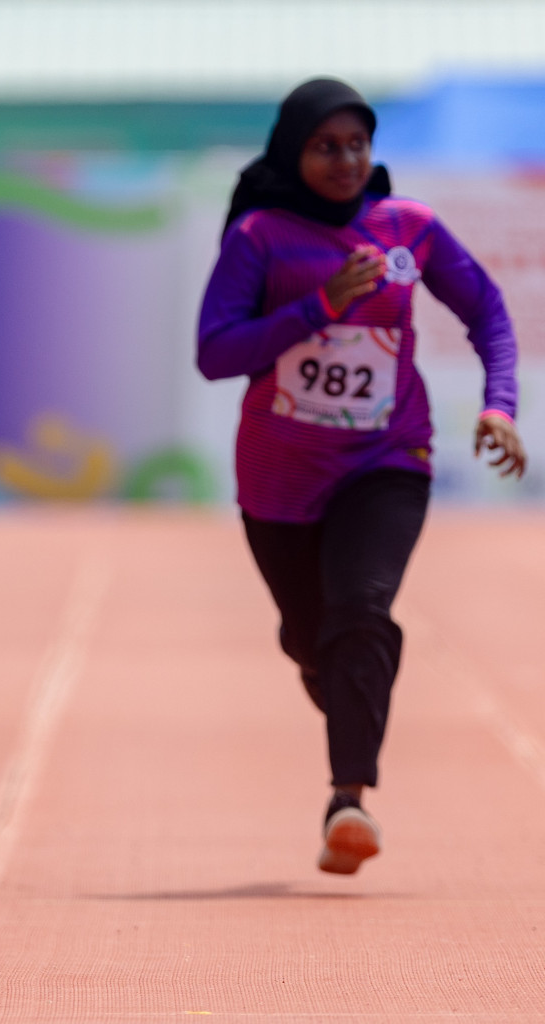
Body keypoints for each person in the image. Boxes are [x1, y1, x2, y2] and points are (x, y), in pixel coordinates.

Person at [198, 79, 527, 875]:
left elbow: (487, 313)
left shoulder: (406, 228)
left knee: (361, 610)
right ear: (293, 152)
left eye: (357, 144)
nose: (346, 160)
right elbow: (216, 355)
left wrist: (501, 407)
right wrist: (317, 307)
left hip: (388, 458)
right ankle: (340, 675)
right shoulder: (260, 238)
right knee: (313, 639)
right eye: (325, 146)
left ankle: (348, 801)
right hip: (279, 478)